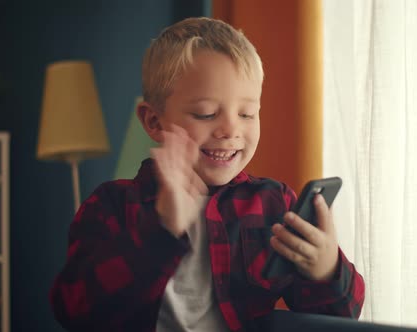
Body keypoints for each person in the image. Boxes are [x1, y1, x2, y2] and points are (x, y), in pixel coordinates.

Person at [49, 17, 365, 332]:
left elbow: (339, 317)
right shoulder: (112, 205)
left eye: (247, 113)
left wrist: (326, 270)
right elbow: (76, 311)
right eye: (206, 114)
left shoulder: (273, 204)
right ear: (154, 122)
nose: (230, 129)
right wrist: (161, 231)